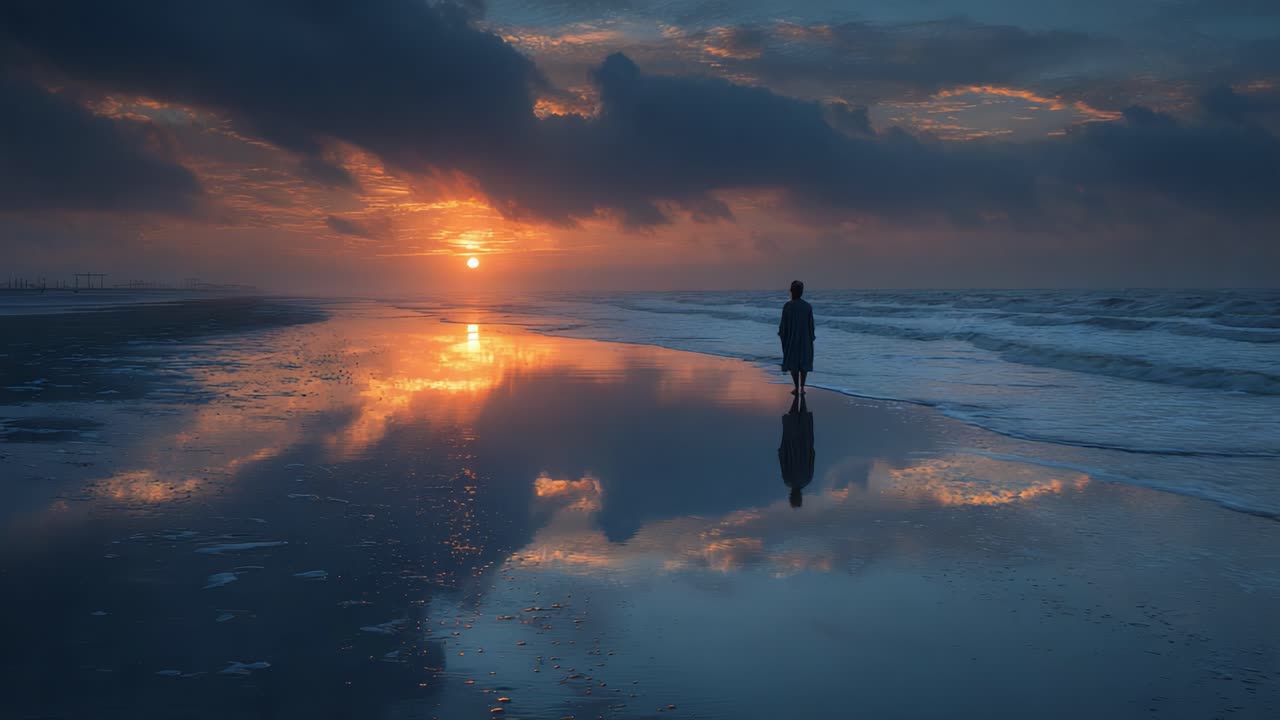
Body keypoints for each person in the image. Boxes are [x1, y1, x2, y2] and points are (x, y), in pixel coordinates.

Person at [777, 280, 815, 394]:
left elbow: (783, 324)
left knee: (793, 363)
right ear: (802, 292)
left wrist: (782, 335)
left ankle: (796, 387)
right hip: (805, 339)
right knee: (804, 363)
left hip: (792, 338)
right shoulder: (807, 306)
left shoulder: (788, 306)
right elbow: (811, 325)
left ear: (791, 291)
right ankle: (802, 388)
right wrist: (811, 337)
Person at [778, 395, 815, 508]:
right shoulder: (788, 481)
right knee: (793, 418)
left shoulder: (807, 480)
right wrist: (781, 451)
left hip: (804, 445)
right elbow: (783, 463)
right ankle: (798, 396)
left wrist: (811, 449)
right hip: (792, 445)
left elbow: (812, 459)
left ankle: (801, 397)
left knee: (802, 417)